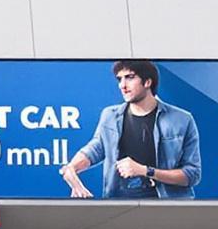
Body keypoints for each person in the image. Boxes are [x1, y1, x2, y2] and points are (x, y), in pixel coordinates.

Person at [60, 59, 199, 199]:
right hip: (119, 207)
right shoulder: (110, 116)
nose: (122, 85)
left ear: (147, 82)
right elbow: (95, 148)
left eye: (130, 77)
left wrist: (146, 171)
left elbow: (192, 174)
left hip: (166, 208)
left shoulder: (182, 119)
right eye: (119, 79)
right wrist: (71, 168)